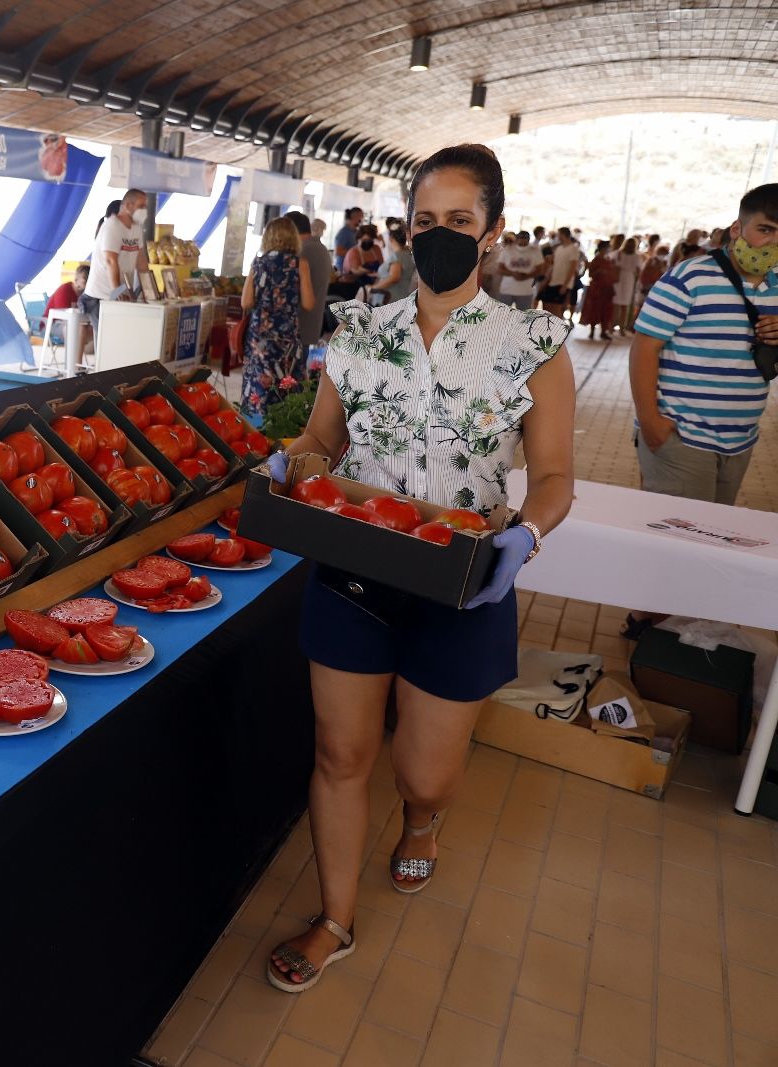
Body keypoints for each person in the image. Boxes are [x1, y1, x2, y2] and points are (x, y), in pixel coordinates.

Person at [263, 143, 575, 993]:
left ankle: (425, 821)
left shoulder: (536, 344)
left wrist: (528, 535)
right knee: (340, 750)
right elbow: (324, 440)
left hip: (464, 576)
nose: (439, 236)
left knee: (425, 771)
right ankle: (335, 917)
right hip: (355, 564)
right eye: (425, 220)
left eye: (460, 222)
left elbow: (551, 476)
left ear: (495, 232)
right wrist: (290, 463)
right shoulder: (359, 328)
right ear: (406, 227)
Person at [630, 183, 778, 506]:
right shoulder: (688, 278)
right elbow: (644, 347)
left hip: (740, 441)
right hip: (682, 438)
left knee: (710, 540)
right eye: (766, 229)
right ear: (737, 229)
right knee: (676, 543)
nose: (773, 243)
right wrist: (652, 423)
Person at [239, 216, 314, 419]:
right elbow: (309, 303)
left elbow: (245, 302)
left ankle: (254, 428)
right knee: (286, 384)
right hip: (287, 338)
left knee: (259, 384)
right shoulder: (300, 264)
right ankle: (283, 430)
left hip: (260, 339)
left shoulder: (259, 262)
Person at [82, 190, 149, 326]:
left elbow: (142, 263)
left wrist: (149, 290)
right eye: (141, 206)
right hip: (101, 295)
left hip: (120, 294)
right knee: (106, 340)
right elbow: (110, 260)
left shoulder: (136, 229)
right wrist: (117, 291)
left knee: (118, 339)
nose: (144, 211)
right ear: (128, 205)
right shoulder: (112, 226)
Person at [286, 210, 332, 359]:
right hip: (311, 324)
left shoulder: (303, 251)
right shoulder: (321, 249)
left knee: (288, 378)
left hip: (298, 326)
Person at [45, 263, 93, 354]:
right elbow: (63, 316)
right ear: (76, 279)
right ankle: (71, 363)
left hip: (73, 323)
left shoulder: (84, 294)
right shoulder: (64, 290)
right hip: (52, 323)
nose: (87, 284)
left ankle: (77, 361)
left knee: (90, 328)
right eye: (85, 280)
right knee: (71, 328)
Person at [580, 239, 617, 339]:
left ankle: (603, 331)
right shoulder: (596, 260)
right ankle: (592, 331)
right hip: (597, 289)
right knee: (594, 309)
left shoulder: (609, 260)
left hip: (607, 289)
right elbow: (591, 274)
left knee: (606, 310)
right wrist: (600, 272)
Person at [543, 227, 582, 317]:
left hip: (563, 283)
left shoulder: (573, 248)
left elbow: (572, 268)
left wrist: (565, 285)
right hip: (554, 281)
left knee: (558, 308)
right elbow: (554, 264)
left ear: (563, 235)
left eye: (559, 235)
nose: (557, 237)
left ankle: (558, 329)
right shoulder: (559, 248)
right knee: (548, 306)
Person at [370, 227, 415, 304]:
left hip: (390, 299)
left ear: (391, 239)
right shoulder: (409, 254)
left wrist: (373, 288)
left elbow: (394, 277)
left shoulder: (396, 256)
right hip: (403, 295)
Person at [497, 231, 541, 309]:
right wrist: (512, 273)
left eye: (525, 238)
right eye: (521, 238)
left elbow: (540, 270)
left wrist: (527, 276)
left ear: (528, 239)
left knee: (523, 317)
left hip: (525, 291)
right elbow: (499, 269)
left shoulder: (534, 251)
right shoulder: (507, 250)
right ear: (517, 239)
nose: (523, 240)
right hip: (507, 290)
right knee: (502, 315)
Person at [613, 237, 645, 333]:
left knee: (618, 305)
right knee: (623, 306)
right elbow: (639, 271)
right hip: (628, 279)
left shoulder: (620, 254)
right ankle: (620, 327)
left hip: (621, 278)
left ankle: (613, 327)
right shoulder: (635, 256)